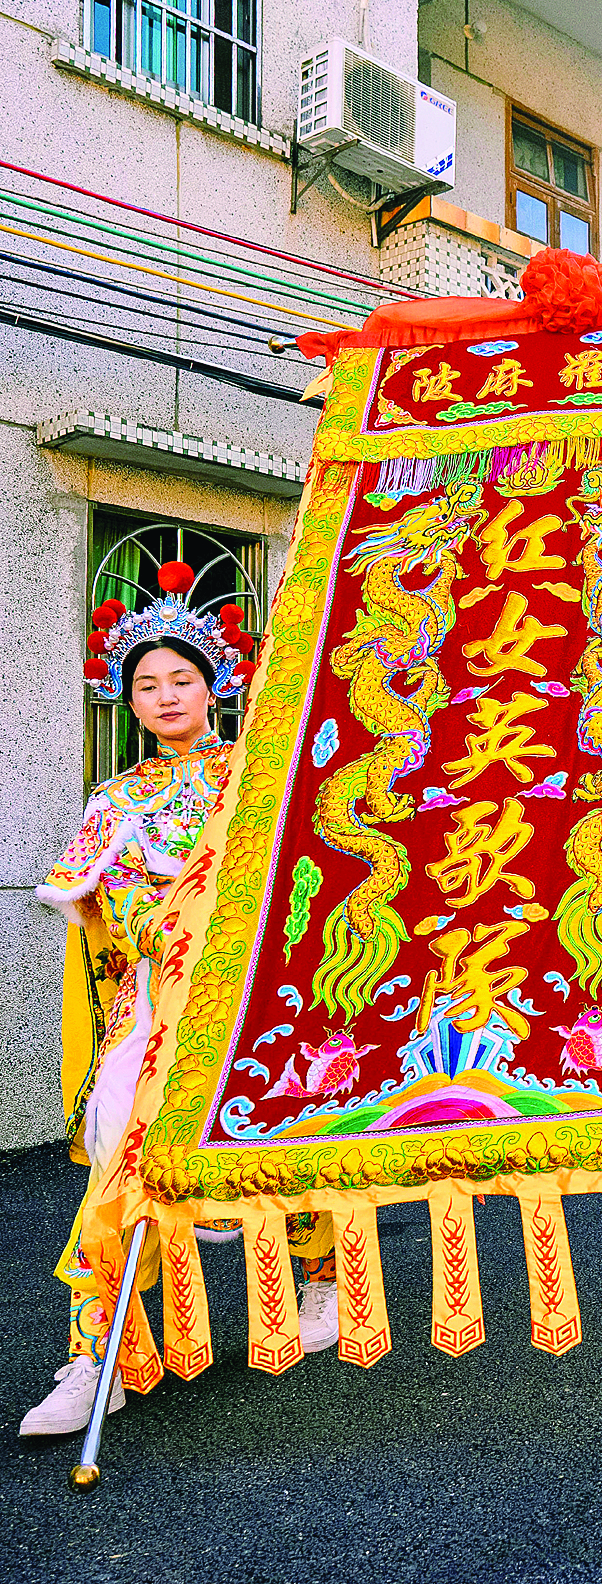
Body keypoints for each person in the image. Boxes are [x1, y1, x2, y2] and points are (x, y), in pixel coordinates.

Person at [26, 564, 340, 1438]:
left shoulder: (259, 771)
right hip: (161, 993)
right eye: (147, 685)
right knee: (125, 1141)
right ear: (128, 702)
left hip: (258, 985)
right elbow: (104, 895)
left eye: (182, 679)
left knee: (290, 1121)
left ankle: (319, 1282)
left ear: (215, 686)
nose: (166, 696)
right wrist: (171, 921)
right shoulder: (116, 799)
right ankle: (100, 1353)